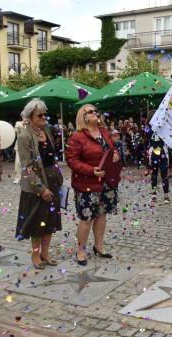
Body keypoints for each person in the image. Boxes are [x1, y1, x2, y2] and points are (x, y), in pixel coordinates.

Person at [66, 104, 122, 266]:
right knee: (87, 218)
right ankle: (81, 250)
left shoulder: (104, 132)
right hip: (87, 183)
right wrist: (92, 170)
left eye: (96, 111)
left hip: (107, 182)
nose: (95, 113)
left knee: (102, 214)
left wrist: (116, 155)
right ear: (82, 117)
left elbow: (111, 150)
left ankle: (99, 246)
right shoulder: (77, 137)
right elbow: (72, 161)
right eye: (90, 112)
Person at [15, 98, 63, 269]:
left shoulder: (47, 132)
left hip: (52, 180)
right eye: (39, 115)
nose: (44, 117)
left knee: (50, 220)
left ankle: (45, 253)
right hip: (36, 183)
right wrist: (41, 188)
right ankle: (35, 254)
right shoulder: (24, 136)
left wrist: (58, 178)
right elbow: (27, 168)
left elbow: (52, 158)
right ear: (29, 117)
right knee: (37, 221)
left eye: (45, 114)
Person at [146, 111, 170, 203]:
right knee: (163, 174)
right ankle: (165, 196)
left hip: (156, 151)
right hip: (161, 150)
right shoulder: (159, 127)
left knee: (155, 173)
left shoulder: (149, 128)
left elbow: (146, 139)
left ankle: (154, 194)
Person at [13, 119, 26, 184]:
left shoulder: (31, 124)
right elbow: (15, 131)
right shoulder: (18, 123)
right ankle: (18, 177)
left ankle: (27, 178)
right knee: (18, 162)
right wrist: (22, 125)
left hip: (28, 146)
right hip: (19, 145)